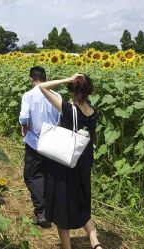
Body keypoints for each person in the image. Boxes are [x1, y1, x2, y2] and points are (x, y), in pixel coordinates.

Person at [38, 73, 103, 249]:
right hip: (84, 164)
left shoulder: (68, 109)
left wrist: (67, 79)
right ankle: (95, 243)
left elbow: (42, 87)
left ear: (72, 90)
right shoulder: (93, 112)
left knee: (62, 208)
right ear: (89, 91)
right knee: (81, 201)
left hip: (65, 165)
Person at [19, 66, 61, 227]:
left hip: (34, 143)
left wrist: (24, 125)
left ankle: (42, 211)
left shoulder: (29, 95)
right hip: (52, 142)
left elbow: (24, 116)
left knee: (32, 175)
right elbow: (61, 116)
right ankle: (53, 209)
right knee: (49, 174)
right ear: (45, 78)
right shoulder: (56, 95)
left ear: (32, 80)